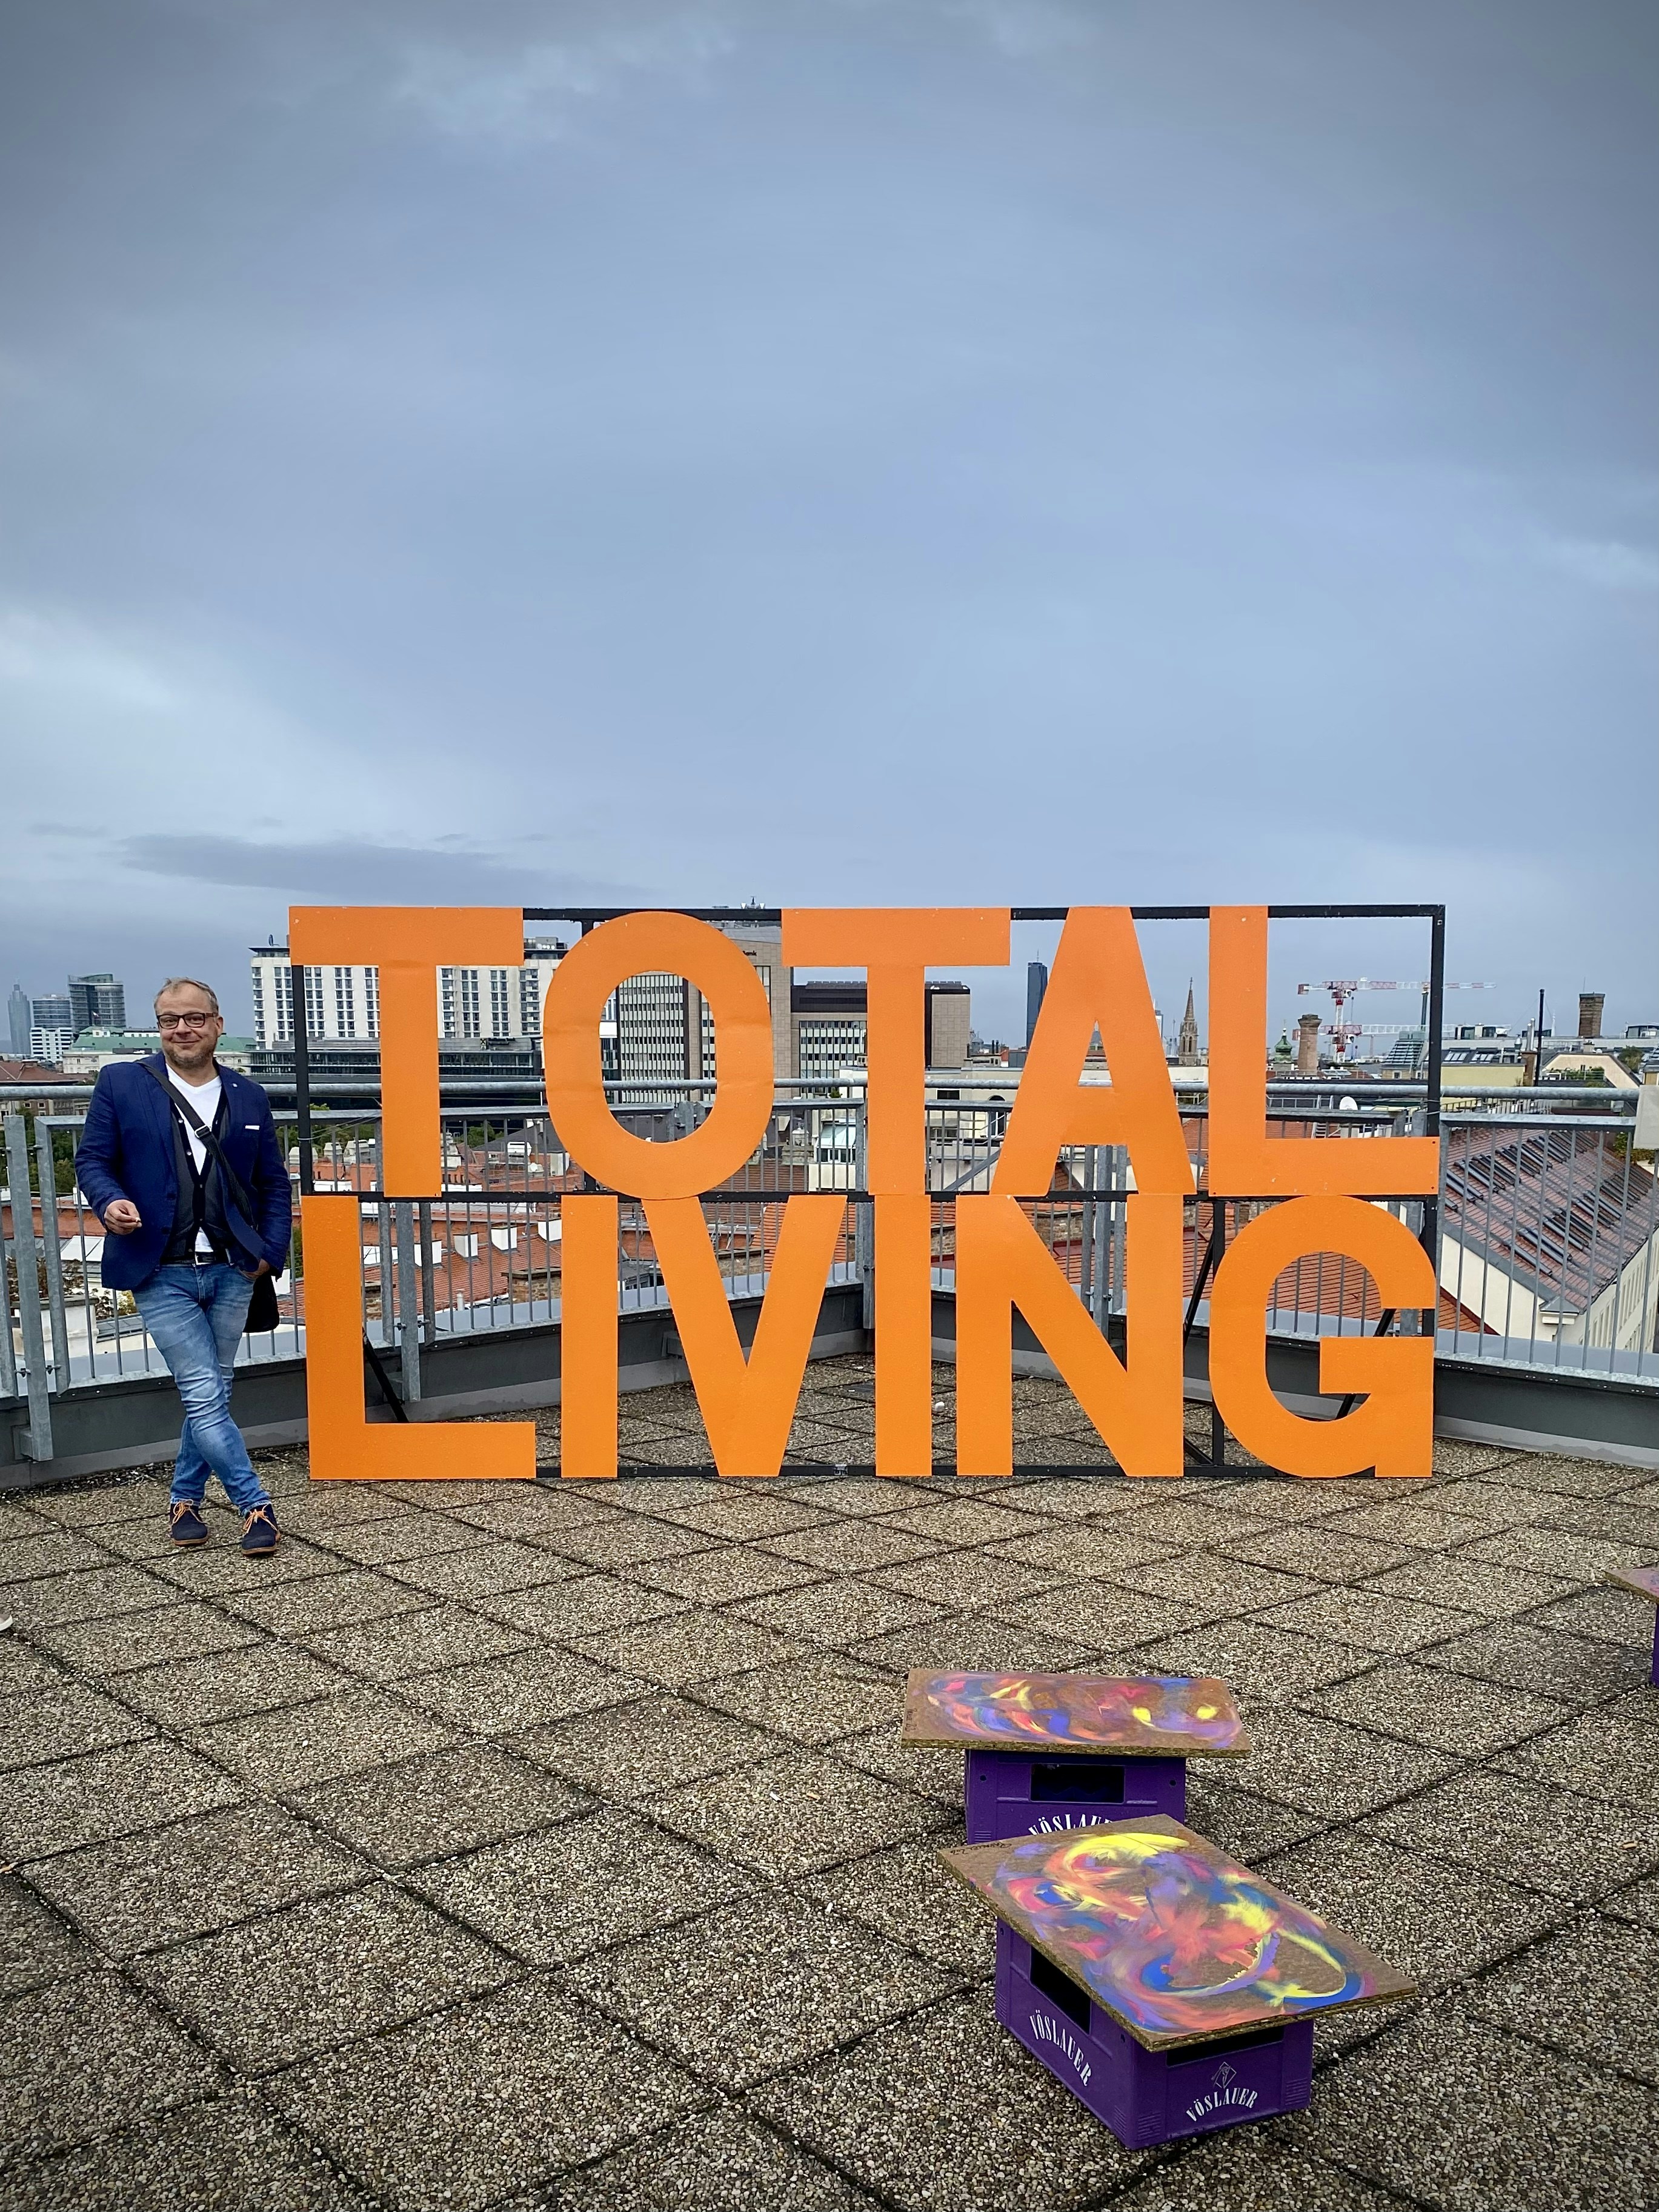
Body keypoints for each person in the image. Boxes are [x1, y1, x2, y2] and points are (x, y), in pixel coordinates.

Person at [76, 978, 293, 1553]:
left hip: (231, 1266)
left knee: (212, 1391)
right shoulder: (122, 1082)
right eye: (170, 1019)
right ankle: (256, 1507)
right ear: (159, 1027)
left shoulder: (248, 1094)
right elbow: (94, 1159)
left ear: (217, 1025)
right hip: (158, 1266)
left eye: (194, 1018)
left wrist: (270, 1253)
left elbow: (273, 1183)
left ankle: (184, 1500)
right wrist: (108, 1202)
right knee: (203, 1392)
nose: (182, 1029)